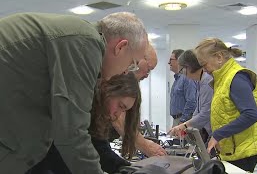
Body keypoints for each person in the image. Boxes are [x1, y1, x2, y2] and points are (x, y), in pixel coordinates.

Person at [0, 11, 148, 174]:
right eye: (132, 64)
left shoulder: (79, 38)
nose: (127, 72)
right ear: (121, 47)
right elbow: (72, 134)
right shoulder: (86, 44)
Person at [27, 73, 142, 174]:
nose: (118, 114)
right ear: (109, 88)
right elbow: (66, 148)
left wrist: (124, 167)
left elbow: (100, 148)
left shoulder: (97, 113)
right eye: (120, 106)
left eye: (124, 110)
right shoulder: (81, 104)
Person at [194, 38, 257, 172]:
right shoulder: (222, 79)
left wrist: (218, 134)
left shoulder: (237, 78)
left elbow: (251, 114)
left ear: (219, 57)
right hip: (233, 148)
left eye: (204, 64)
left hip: (244, 149)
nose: (204, 70)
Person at [169, 49, 213, 142]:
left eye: (182, 70)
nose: (182, 74)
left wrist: (184, 125)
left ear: (188, 67)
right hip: (208, 129)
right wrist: (186, 125)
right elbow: (198, 109)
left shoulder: (207, 82)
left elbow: (205, 113)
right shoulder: (199, 81)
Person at [168, 49, 197, 127]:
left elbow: (191, 101)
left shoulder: (187, 78)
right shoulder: (177, 79)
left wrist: (182, 121)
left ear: (179, 60)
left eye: (171, 60)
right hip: (177, 120)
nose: (169, 63)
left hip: (183, 120)